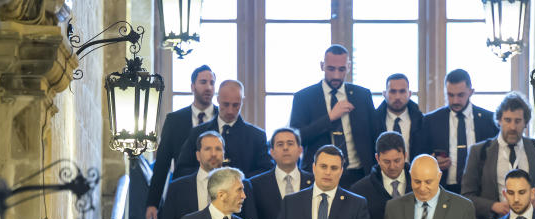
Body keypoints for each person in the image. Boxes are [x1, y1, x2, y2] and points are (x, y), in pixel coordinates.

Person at [290, 44, 377, 186]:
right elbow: (297, 138)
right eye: (331, 69)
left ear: (348, 67)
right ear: (322, 66)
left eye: (341, 69)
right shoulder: (303, 97)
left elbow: (375, 135)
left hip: (358, 175)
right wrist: (329, 118)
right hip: (319, 175)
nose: (336, 75)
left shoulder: (362, 95)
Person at [146, 64, 217, 219]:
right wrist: (152, 203)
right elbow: (162, 165)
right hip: (183, 194)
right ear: (192, 86)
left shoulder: (221, 119)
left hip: (216, 195)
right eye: (203, 82)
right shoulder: (174, 120)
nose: (208, 87)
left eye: (212, 83)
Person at [418, 69, 498, 194]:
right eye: (450, 95)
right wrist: (433, 162)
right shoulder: (430, 121)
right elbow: (420, 156)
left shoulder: (489, 120)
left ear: (471, 92)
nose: (455, 101)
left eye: (460, 95)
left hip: (480, 191)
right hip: (443, 189)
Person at [173, 80, 273, 180]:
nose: (230, 111)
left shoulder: (257, 136)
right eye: (225, 104)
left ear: (242, 102)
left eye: (235, 105)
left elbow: (267, 172)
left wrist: (239, 181)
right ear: (217, 99)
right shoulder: (198, 132)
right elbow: (182, 170)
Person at [374, 73, 423, 158]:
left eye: (402, 91)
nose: (397, 96)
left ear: (409, 94)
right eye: (393, 91)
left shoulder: (422, 121)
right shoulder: (373, 121)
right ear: (385, 94)